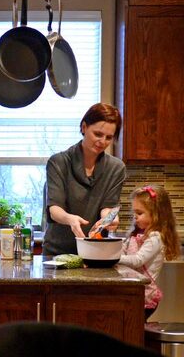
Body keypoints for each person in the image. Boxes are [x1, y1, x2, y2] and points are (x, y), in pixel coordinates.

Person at [43, 103, 125, 258]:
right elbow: (54, 210)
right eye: (98, 134)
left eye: (109, 137)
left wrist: (110, 218)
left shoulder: (116, 168)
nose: (103, 141)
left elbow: (107, 207)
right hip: (57, 253)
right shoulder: (58, 162)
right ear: (84, 127)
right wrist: (70, 219)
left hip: (96, 253)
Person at [118, 184, 181, 319]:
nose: (135, 217)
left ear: (157, 214)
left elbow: (137, 260)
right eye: (134, 212)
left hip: (144, 296)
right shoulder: (137, 233)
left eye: (139, 213)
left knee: (133, 328)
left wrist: (111, 257)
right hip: (134, 290)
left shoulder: (155, 237)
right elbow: (124, 248)